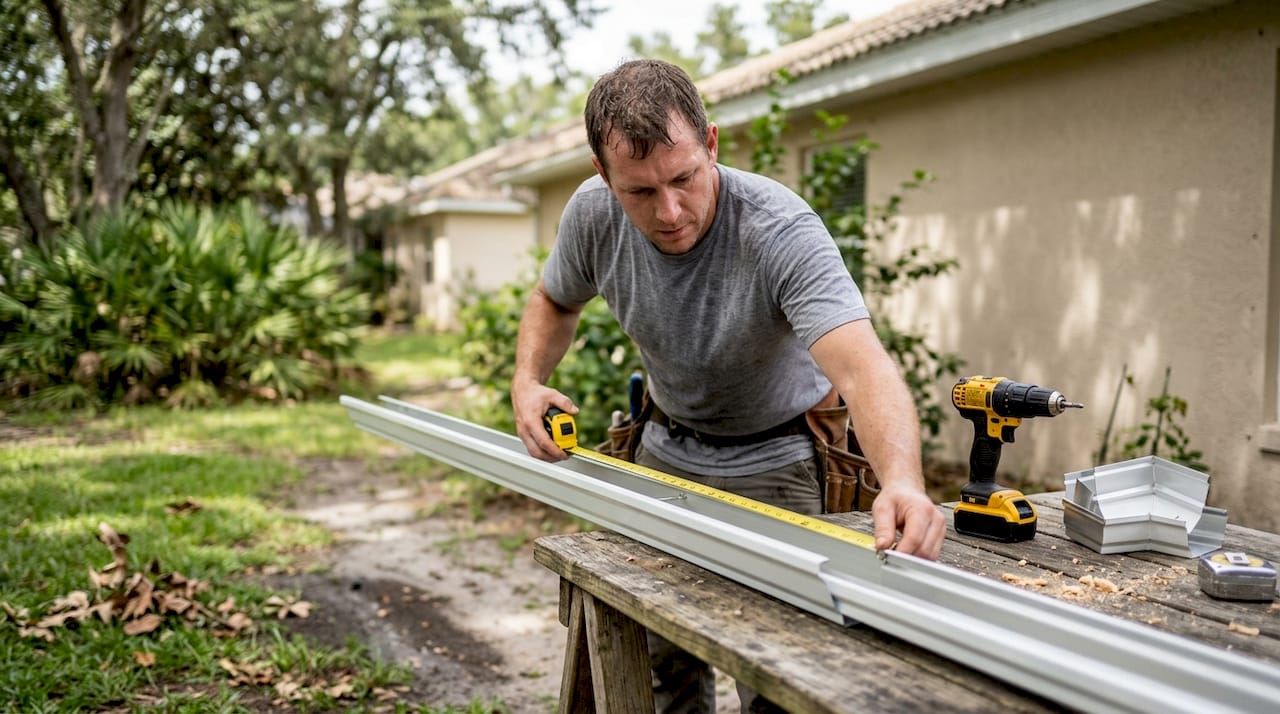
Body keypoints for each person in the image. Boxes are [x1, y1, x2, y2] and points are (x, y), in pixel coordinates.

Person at [511, 58, 945, 714]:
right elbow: (554, 299)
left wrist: (904, 482)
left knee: (781, 675)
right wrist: (527, 381)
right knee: (663, 667)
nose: (670, 210)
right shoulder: (591, 216)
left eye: (684, 177)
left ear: (711, 144)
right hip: (665, 452)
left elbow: (861, 368)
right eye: (640, 192)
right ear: (603, 176)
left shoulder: (779, 229)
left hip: (781, 461)